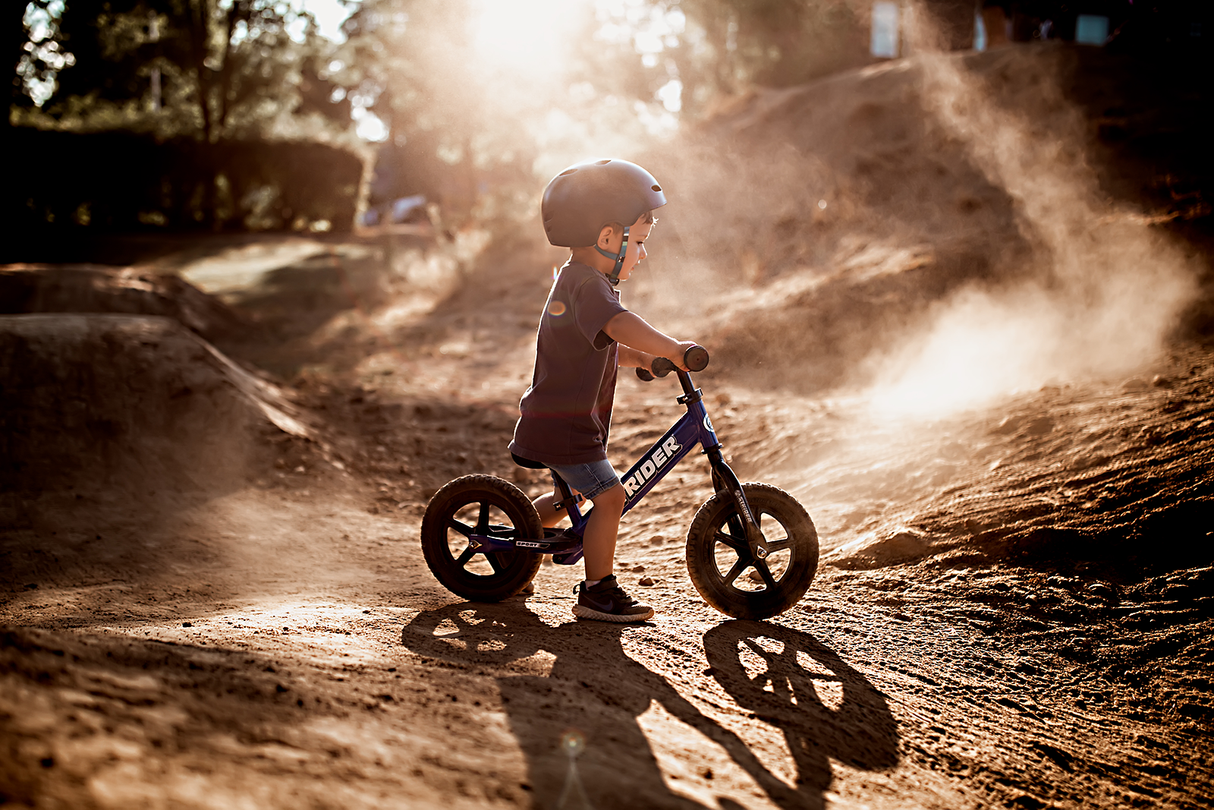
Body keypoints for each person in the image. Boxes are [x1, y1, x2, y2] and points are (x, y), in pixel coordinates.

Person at [509, 158, 697, 623]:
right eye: (638, 243)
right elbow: (619, 326)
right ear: (608, 238)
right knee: (610, 498)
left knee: (564, 501)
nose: (643, 254)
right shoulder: (588, 286)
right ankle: (597, 592)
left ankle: (513, 562)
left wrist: (648, 360)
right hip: (567, 429)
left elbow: (608, 343)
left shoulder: (581, 283)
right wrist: (673, 348)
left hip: (561, 423)